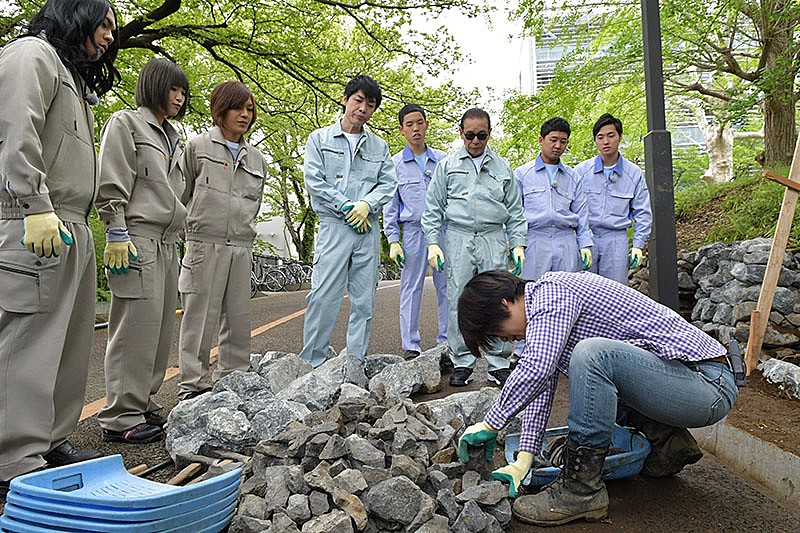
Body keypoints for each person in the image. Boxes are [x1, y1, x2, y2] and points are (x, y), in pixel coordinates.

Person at [456, 269, 740, 526]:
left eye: (498, 333)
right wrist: (524, 459)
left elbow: (537, 368)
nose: (507, 341)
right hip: (683, 385)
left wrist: (491, 423)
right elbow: (540, 388)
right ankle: (669, 445)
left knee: (592, 356)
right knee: (594, 392)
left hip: (707, 385)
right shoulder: (547, 318)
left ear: (504, 304)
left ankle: (581, 491)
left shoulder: (553, 293)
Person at [0, 0, 119, 494]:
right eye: (105, 23)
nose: (110, 35)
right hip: (34, 219)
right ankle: (10, 458)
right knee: (27, 343)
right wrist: (32, 201)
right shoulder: (32, 54)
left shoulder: (73, 78)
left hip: (71, 224)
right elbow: (14, 128)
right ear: (77, 16)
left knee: (67, 345)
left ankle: (50, 440)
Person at [95, 58, 190, 442]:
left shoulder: (174, 137)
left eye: (183, 91)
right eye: (173, 89)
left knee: (160, 328)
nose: (180, 97)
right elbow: (112, 179)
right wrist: (116, 230)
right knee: (134, 328)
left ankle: (142, 402)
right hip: (136, 238)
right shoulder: (126, 124)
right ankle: (120, 416)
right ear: (154, 86)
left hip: (167, 242)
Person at [421, 108, 527, 387]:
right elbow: (433, 208)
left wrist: (517, 245)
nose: (476, 141)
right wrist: (433, 242)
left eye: (481, 135)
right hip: (459, 236)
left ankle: (499, 362)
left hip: (493, 237)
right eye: (470, 135)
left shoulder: (503, 168)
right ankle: (462, 361)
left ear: (489, 133)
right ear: (461, 134)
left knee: (500, 299)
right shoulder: (447, 166)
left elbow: (516, 212)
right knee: (459, 297)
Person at [177, 81, 268, 400]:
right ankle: (193, 384)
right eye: (238, 108)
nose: (245, 115)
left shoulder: (257, 159)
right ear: (220, 110)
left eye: (250, 109)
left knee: (238, 317)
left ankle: (234, 379)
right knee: (198, 318)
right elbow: (180, 194)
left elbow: (253, 204)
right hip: (204, 242)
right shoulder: (197, 147)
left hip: (241, 245)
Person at [299, 74, 397, 368]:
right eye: (358, 100)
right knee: (323, 296)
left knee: (364, 301)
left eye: (370, 104)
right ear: (345, 99)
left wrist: (367, 205)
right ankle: (312, 362)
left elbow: (388, 183)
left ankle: (355, 361)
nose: (363, 108)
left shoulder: (379, 147)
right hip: (334, 227)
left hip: (367, 229)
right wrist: (347, 207)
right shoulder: (319, 139)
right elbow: (314, 181)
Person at [382, 103, 448, 360]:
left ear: (427, 124)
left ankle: (446, 343)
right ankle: (410, 344)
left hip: (442, 231)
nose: (415, 128)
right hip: (412, 232)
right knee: (411, 287)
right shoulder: (394, 164)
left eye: (419, 122)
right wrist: (393, 240)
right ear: (401, 129)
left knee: (446, 287)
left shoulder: (443, 160)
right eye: (409, 124)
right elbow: (390, 204)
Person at [574, 113, 652, 284]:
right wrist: (580, 239)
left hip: (616, 239)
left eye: (611, 136)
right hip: (587, 238)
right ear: (595, 140)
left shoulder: (634, 174)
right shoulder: (580, 172)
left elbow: (643, 212)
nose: (606, 142)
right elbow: (570, 207)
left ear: (620, 137)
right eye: (600, 137)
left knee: (616, 292)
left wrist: (638, 245)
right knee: (584, 289)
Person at [514, 117, 593, 279]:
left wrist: (585, 244)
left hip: (566, 240)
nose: (558, 146)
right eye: (553, 140)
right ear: (541, 140)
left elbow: (582, 214)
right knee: (532, 290)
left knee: (567, 290)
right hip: (534, 239)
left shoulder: (573, 177)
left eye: (563, 141)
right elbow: (514, 212)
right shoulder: (522, 174)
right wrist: (516, 244)